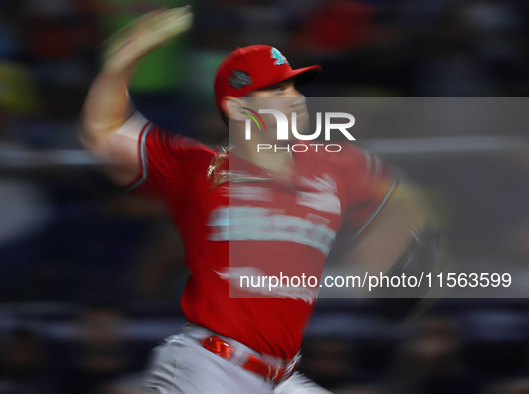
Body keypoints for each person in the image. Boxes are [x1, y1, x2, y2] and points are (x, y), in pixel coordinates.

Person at [80, 6, 439, 394]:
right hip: (211, 367)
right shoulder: (200, 168)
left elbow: (398, 203)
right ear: (238, 108)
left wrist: (400, 259)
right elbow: (102, 131)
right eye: (277, 90)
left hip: (280, 377)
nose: (296, 98)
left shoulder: (339, 165)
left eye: (294, 87)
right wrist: (125, 59)